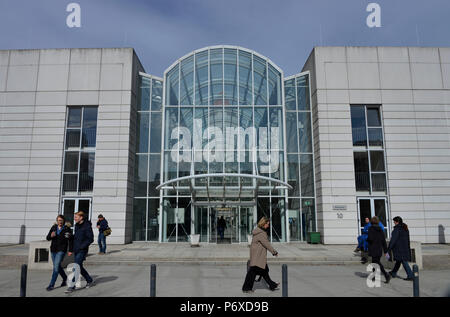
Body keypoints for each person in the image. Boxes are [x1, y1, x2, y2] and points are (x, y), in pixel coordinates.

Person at [242, 217, 279, 293]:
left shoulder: (258, 231)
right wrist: (274, 252)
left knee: (264, 271)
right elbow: (267, 244)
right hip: (258, 257)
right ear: (263, 224)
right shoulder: (261, 233)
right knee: (253, 273)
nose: (268, 226)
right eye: (267, 224)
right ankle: (246, 288)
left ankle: (272, 285)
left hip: (257, 256)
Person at [65, 211, 94, 293]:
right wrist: (71, 236)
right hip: (76, 249)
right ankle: (89, 280)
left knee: (76, 267)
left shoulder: (87, 226)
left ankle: (72, 286)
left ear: (81, 217)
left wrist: (82, 246)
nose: (74, 218)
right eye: (74, 217)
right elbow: (77, 237)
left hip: (82, 250)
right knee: (79, 267)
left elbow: (90, 239)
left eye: (76, 217)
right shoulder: (77, 225)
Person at [45, 215, 73, 291]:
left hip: (61, 250)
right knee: (57, 266)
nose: (60, 222)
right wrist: (51, 236)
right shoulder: (54, 227)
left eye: (61, 220)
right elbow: (47, 238)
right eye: (58, 220)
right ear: (57, 221)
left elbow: (71, 240)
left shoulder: (67, 229)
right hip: (53, 249)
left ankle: (51, 285)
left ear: (63, 221)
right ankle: (65, 279)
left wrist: (70, 250)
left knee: (56, 267)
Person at [387, 216, 414, 281]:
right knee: (399, 261)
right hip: (405, 247)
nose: (394, 223)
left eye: (394, 221)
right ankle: (393, 272)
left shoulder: (397, 229)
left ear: (397, 222)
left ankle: (410, 275)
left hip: (399, 248)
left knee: (404, 261)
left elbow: (393, 240)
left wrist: (389, 248)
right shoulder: (405, 228)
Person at [367, 216, 391, 284]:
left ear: (372, 221)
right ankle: (374, 276)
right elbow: (383, 241)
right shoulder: (381, 230)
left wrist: (367, 239)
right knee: (374, 262)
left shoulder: (371, 229)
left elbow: (370, 239)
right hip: (379, 249)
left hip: (373, 248)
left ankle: (386, 275)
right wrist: (385, 251)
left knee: (377, 263)